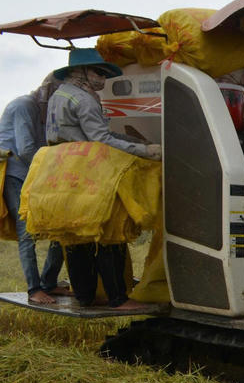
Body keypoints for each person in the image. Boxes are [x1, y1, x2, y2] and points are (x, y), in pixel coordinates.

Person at [45, 48, 161, 312]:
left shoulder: (58, 95)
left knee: (78, 235)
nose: (102, 79)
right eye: (98, 72)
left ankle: (85, 296)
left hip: (61, 170)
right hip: (89, 171)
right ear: (80, 72)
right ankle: (118, 298)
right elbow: (102, 140)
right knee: (110, 233)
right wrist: (147, 150)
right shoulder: (85, 100)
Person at [0, 74, 66, 304]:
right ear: (48, 94)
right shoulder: (24, 106)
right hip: (15, 174)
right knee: (26, 230)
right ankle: (34, 289)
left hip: (34, 172)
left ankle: (49, 283)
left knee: (61, 227)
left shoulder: (44, 110)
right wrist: (54, 172)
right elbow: (27, 149)